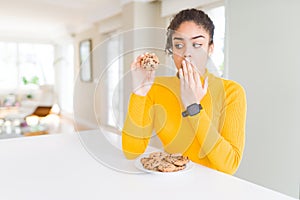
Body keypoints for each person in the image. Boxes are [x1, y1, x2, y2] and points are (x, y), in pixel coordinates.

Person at [122, 8, 247, 175]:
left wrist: (194, 108)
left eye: (197, 44)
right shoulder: (156, 88)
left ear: (210, 48)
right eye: (179, 45)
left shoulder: (231, 92)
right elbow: (132, 152)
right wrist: (139, 93)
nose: (187, 53)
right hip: (171, 185)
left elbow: (230, 165)